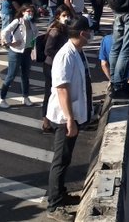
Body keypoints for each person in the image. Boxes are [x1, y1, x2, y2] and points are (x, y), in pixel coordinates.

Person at [46, 16, 94, 221]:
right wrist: (69, 119)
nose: (91, 34)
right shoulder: (66, 55)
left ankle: (61, 193)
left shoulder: (77, 52)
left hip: (73, 114)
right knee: (60, 159)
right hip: (64, 116)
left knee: (65, 158)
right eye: (89, 31)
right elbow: (62, 89)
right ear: (82, 33)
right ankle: (54, 205)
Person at [42, 5, 77, 132]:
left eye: (68, 15)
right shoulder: (56, 30)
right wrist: (62, 55)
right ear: (58, 17)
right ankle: (46, 122)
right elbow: (48, 50)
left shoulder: (66, 28)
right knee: (50, 93)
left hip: (58, 65)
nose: (67, 18)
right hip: (50, 65)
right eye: (64, 15)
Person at [0, 4, 39, 109]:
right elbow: (4, 31)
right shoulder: (17, 22)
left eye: (32, 12)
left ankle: (25, 97)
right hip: (16, 52)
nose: (30, 14)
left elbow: (35, 36)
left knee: (25, 76)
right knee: (11, 76)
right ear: (23, 12)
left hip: (27, 52)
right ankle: (2, 98)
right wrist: (10, 43)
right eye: (28, 11)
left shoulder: (32, 23)